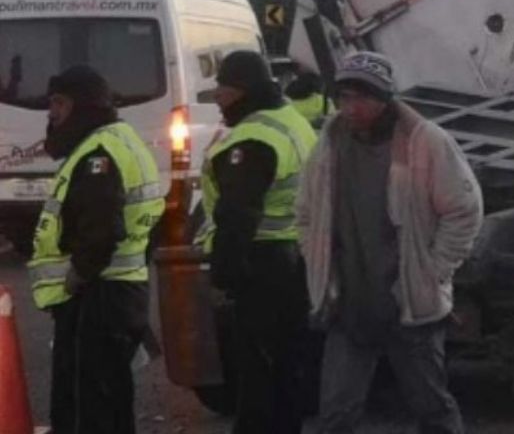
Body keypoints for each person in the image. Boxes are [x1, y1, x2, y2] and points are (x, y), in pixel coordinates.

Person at [298, 51, 483, 434]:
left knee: (431, 407)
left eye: (360, 97)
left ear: (384, 99)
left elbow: (463, 210)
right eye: (343, 97)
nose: (350, 107)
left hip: (408, 303)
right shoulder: (329, 143)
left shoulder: (425, 142)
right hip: (348, 302)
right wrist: (316, 259)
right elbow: (306, 211)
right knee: (335, 413)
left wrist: (433, 270)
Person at [27, 65, 164, 433]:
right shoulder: (117, 140)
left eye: (59, 102)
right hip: (119, 290)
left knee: (91, 407)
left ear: (83, 105)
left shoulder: (98, 154)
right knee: (108, 400)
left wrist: (78, 275)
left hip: (100, 295)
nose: (51, 112)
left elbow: (101, 228)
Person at [200, 51, 317, 434]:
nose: (217, 97)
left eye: (224, 89)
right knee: (286, 367)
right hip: (294, 256)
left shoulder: (252, 138)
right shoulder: (291, 121)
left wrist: (223, 277)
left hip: (261, 262)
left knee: (257, 373)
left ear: (243, 90)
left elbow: (237, 216)